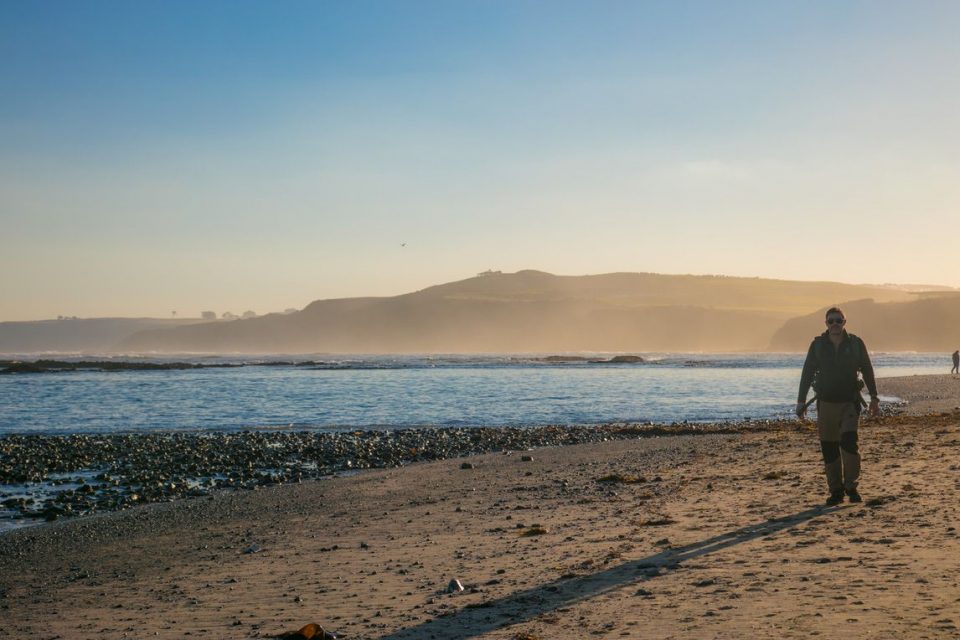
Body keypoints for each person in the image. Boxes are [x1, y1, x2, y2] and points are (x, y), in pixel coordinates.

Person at [796, 306, 879, 506]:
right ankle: (836, 491)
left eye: (838, 321)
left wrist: (874, 398)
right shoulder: (817, 346)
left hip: (850, 403)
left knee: (850, 444)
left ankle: (851, 486)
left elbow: (867, 369)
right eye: (831, 321)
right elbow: (807, 373)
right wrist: (801, 400)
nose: (835, 324)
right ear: (826, 324)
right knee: (829, 448)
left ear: (844, 322)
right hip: (825, 404)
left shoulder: (856, 344)